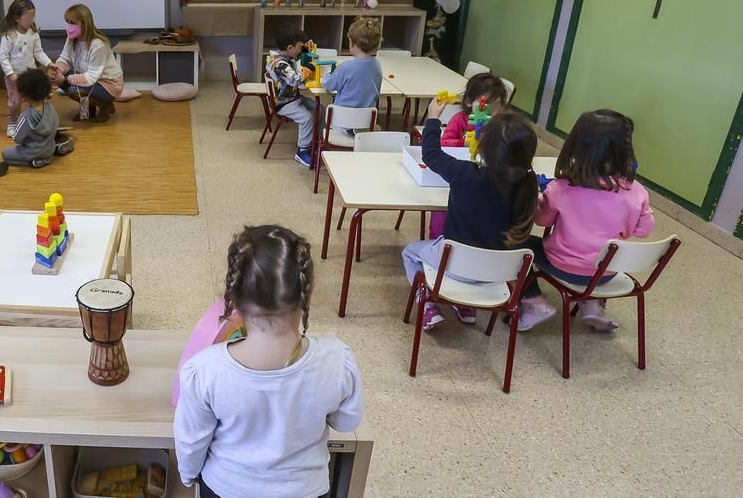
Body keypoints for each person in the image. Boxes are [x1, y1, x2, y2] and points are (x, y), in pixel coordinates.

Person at [175, 225, 364, 498]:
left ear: (232, 302)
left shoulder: (204, 371)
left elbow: (191, 444)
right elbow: (346, 423)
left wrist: (189, 476)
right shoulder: (338, 359)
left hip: (225, 489)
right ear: (309, 292)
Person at [401, 99, 539, 330]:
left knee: (409, 253)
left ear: (482, 147)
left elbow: (431, 154)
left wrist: (433, 117)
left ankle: (427, 306)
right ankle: (466, 307)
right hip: (496, 273)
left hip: (453, 265)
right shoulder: (527, 184)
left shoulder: (465, 174)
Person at [516, 109, 655, 331]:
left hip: (563, 265)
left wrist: (541, 199)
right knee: (600, 252)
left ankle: (534, 303)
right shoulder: (636, 191)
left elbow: (542, 221)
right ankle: (592, 306)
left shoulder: (560, 188)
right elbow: (643, 231)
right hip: (607, 272)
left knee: (513, 243)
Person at [427, 72, 512, 237]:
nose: (490, 112)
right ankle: (437, 238)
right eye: (484, 105)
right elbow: (444, 142)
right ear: (468, 102)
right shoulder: (460, 119)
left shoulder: (503, 128)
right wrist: (463, 143)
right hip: (459, 168)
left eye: (496, 107)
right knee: (443, 205)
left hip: (480, 176)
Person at [48, 4, 124, 123]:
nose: (69, 27)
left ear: (85, 23)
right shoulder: (72, 38)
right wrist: (57, 71)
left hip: (109, 84)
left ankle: (106, 106)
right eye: (67, 22)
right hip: (92, 80)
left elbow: (91, 77)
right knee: (63, 83)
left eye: (73, 23)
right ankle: (87, 112)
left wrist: (65, 79)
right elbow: (65, 58)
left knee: (74, 90)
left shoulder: (98, 45)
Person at [0, 0, 52, 137]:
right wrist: (11, 74)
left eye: (33, 16)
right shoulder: (9, 36)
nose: (31, 19)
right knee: (15, 103)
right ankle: (12, 123)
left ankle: (36, 122)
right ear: (16, 17)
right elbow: (3, 57)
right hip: (14, 76)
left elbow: (38, 52)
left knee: (36, 100)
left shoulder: (33, 33)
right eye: (27, 16)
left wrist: (49, 63)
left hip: (31, 77)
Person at [2, 69, 75, 168]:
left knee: (5, 154)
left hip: (31, 152)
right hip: (49, 147)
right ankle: (56, 149)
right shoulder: (51, 108)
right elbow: (55, 126)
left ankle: (33, 162)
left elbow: (17, 139)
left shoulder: (25, 116)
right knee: (45, 146)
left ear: (24, 96)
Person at [265, 25, 316, 168]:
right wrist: (308, 70)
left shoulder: (286, 56)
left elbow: (297, 57)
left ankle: (315, 140)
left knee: (319, 108)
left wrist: (305, 49)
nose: (300, 50)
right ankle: (302, 151)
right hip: (283, 103)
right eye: (299, 47)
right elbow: (295, 79)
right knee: (307, 117)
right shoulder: (279, 64)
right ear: (289, 48)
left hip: (293, 98)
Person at [322, 16, 383, 109]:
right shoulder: (376, 65)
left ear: (351, 42)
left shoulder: (346, 67)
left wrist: (325, 75)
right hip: (366, 120)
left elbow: (329, 86)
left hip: (340, 120)